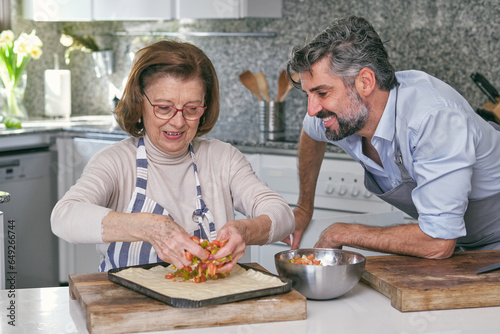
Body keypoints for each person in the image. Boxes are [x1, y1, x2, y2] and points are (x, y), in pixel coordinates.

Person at [51, 40, 294, 273]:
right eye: (164, 108)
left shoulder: (223, 158)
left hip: (209, 305)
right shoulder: (115, 162)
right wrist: (150, 228)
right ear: (139, 103)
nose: (178, 122)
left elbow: (282, 214)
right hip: (130, 309)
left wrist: (245, 230)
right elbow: (64, 217)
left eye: (191, 109)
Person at [286, 15, 500, 258]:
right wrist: (304, 208)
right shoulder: (337, 115)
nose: (312, 109)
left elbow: (437, 242)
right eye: (308, 96)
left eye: (322, 93)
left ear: (365, 82)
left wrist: (340, 233)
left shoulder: (433, 119)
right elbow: (310, 132)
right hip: (457, 245)